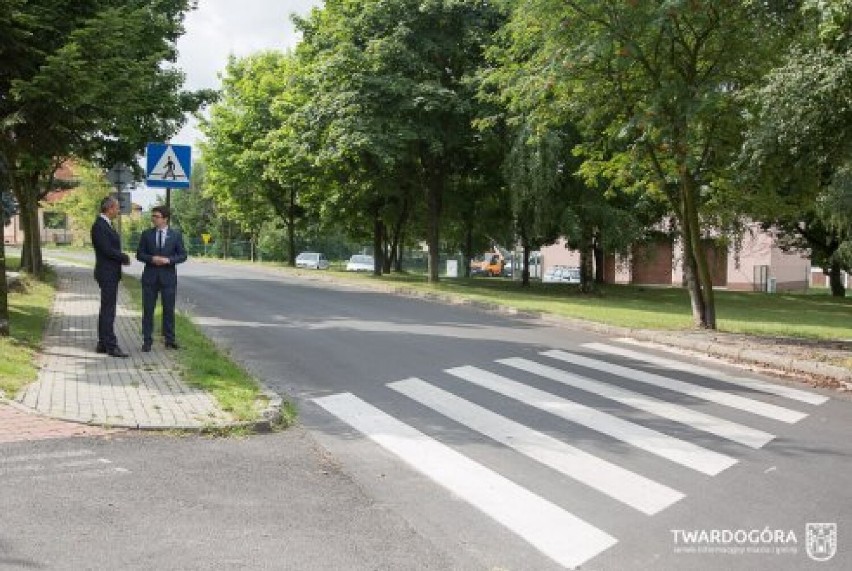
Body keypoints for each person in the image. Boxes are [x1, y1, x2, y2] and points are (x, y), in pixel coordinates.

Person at [136, 205, 187, 351]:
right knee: (148, 310)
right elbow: (139, 254)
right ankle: (147, 341)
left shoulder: (176, 235)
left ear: (165, 219)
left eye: (156, 216)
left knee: (169, 310)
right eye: (153, 216)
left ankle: (170, 340)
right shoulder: (146, 234)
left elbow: (183, 255)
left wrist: (169, 260)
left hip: (168, 278)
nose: (153, 219)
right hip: (150, 278)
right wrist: (152, 258)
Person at [91, 196, 131, 357]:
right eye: (116, 208)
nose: (118, 211)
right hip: (106, 272)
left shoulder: (106, 224)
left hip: (110, 272)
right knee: (109, 309)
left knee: (107, 308)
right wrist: (123, 257)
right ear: (109, 209)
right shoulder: (99, 226)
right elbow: (106, 250)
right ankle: (111, 345)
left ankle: (102, 343)